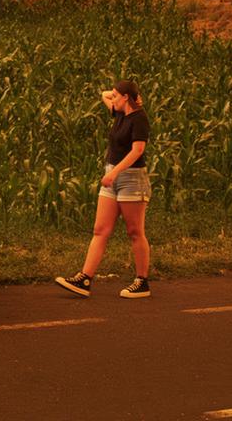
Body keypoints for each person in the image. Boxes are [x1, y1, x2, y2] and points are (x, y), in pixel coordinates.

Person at [55, 79, 152, 299]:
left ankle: (142, 281)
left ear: (126, 98)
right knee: (100, 229)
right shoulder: (119, 113)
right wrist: (127, 94)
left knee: (135, 231)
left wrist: (114, 172)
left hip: (131, 179)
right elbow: (104, 94)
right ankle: (84, 278)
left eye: (117, 95)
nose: (112, 98)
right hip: (113, 176)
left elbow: (137, 151)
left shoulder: (139, 119)